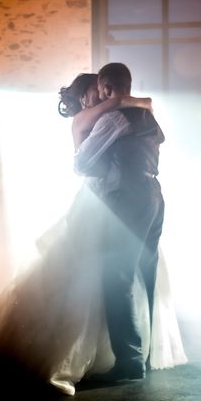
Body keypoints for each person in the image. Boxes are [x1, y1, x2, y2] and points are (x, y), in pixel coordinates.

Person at [0, 73, 186, 396]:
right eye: (92, 93)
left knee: (123, 276)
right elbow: (85, 165)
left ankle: (132, 355)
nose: (95, 97)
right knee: (112, 274)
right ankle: (130, 356)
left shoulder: (117, 111)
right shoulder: (96, 116)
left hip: (119, 198)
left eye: (99, 91)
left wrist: (118, 106)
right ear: (85, 97)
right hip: (110, 197)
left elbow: (137, 114)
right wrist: (118, 108)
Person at [73, 63, 166, 382]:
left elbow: (82, 163)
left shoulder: (113, 118)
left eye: (99, 90)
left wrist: (103, 165)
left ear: (105, 87)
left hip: (127, 196)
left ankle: (131, 361)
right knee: (147, 272)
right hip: (154, 193)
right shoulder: (146, 114)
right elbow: (160, 139)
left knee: (116, 274)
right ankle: (149, 352)